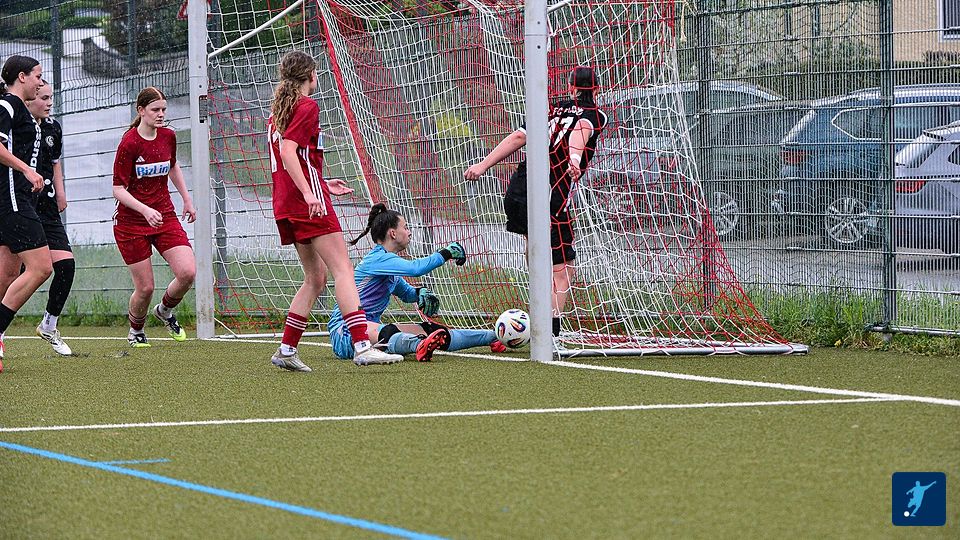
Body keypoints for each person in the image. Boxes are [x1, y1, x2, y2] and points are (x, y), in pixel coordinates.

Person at [266, 50, 402, 371]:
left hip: (287, 203)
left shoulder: (277, 114)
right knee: (343, 270)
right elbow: (288, 152)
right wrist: (310, 193)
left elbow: (294, 160)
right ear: (311, 76)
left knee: (316, 277)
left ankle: (286, 349)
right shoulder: (306, 106)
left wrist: (323, 184)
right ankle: (363, 346)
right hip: (307, 203)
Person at [464, 66, 606, 348]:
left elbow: (519, 138)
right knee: (562, 270)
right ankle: (549, 335)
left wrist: (482, 165)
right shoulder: (595, 114)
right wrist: (574, 160)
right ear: (597, 89)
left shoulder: (552, 109)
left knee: (537, 253)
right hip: (550, 195)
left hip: (519, 189)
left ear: (570, 87)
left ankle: (536, 316)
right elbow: (579, 134)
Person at [329, 204, 506, 362]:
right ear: (393, 233)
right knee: (388, 332)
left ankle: (491, 337)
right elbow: (415, 269)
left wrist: (420, 293)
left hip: (370, 331)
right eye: (405, 227)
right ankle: (418, 346)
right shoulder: (377, 259)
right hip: (345, 332)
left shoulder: (388, 266)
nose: (409, 232)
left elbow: (407, 293)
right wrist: (446, 253)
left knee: (432, 330)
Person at [112, 86, 196, 348]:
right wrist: (145, 210)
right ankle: (136, 330)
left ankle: (164, 311)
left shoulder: (168, 136)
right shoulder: (129, 143)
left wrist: (187, 199)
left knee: (187, 272)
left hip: (164, 216)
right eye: (155, 110)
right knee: (145, 288)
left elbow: (173, 166)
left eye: (163, 110)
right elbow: (118, 189)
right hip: (131, 223)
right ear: (141, 111)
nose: (161, 114)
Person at [0, 55, 51, 369]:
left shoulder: (21, 109)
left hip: (15, 201)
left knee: (7, 275)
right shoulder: (7, 105)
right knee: (41, 267)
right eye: (38, 76)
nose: (40, 83)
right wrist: (27, 171)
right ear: (22, 77)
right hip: (12, 201)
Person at [18, 81, 73, 355]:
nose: (49, 102)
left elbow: (55, 162)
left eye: (51, 97)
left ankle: (49, 325)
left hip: (48, 208)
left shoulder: (53, 127)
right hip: (23, 207)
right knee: (14, 274)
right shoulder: (19, 127)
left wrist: (60, 191)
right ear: (28, 100)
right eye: (43, 97)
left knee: (66, 266)